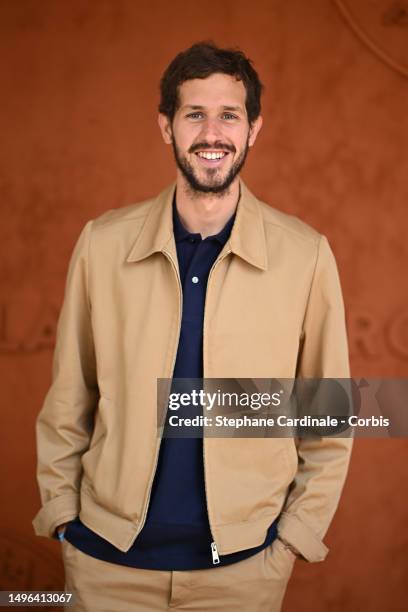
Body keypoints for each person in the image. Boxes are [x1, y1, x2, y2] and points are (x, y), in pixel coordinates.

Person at [33, 41, 353, 612]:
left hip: (243, 572)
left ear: (254, 128)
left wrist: (291, 541)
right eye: (194, 114)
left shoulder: (305, 256)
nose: (213, 133)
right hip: (106, 565)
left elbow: (328, 417)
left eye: (229, 114)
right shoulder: (103, 245)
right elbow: (69, 399)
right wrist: (62, 517)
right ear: (166, 127)